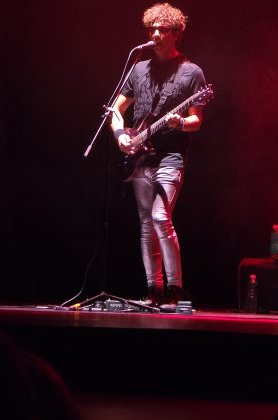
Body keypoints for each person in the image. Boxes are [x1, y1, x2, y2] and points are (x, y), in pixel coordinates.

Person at [109, 3, 207, 310]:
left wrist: (179, 122)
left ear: (176, 33)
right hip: (141, 157)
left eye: (163, 30)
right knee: (145, 224)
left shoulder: (191, 72)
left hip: (171, 157)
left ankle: (175, 289)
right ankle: (154, 290)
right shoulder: (138, 68)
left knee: (160, 217)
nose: (155, 34)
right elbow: (115, 110)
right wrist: (120, 134)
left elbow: (196, 120)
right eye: (152, 29)